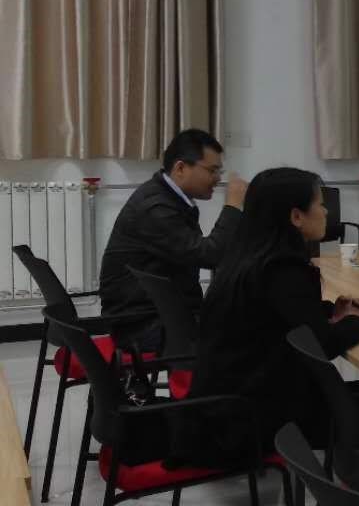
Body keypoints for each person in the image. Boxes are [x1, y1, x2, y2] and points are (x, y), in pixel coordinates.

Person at [178, 168, 359, 466]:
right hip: (246, 420)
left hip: (220, 409)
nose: (325, 212)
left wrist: (330, 312)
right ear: (296, 216)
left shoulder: (247, 258)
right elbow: (321, 345)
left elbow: (278, 316)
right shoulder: (281, 268)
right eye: (320, 204)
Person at [99, 128, 248, 350]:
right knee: (250, 332)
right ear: (180, 168)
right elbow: (209, 255)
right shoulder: (155, 208)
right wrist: (233, 205)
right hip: (142, 325)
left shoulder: (166, 198)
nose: (218, 179)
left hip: (155, 315)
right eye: (212, 170)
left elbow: (203, 252)